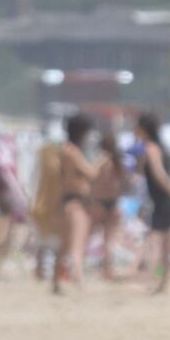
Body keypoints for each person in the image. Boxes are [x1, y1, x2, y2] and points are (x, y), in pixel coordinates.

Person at [52, 113, 99, 295]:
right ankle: (80, 285)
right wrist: (103, 160)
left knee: (64, 246)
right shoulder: (72, 151)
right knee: (76, 247)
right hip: (76, 203)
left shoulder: (65, 150)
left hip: (67, 202)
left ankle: (56, 282)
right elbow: (91, 173)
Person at [136, 112, 170, 294]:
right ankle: (162, 282)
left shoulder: (150, 148)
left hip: (162, 200)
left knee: (156, 242)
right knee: (165, 243)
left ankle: (154, 280)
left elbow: (158, 175)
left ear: (143, 129)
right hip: (163, 199)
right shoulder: (160, 147)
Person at [92, 126, 127, 282]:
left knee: (86, 236)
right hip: (114, 203)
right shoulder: (118, 162)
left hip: (99, 202)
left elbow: (92, 176)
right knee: (108, 240)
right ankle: (107, 271)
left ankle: (73, 267)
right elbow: (124, 183)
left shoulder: (102, 159)